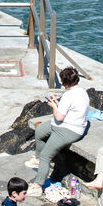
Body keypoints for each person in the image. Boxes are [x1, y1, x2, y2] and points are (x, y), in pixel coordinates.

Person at [25, 67, 90, 195]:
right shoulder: (83, 92)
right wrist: (58, 105)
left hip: (68, 130)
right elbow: (69, 111)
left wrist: (54, 106)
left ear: (64, 82)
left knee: (46, 156)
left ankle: (38, 186)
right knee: (39, 131)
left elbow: (59, 116)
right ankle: (37, 159)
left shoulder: (68, 95)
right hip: (65, 124)